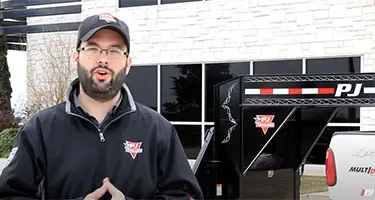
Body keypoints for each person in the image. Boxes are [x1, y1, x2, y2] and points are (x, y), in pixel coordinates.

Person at [0, 13, 203, 200]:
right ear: (76, 57)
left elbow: (185, 195)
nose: (103, 59)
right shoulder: (39, 129)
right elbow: (10, 195)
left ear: (128, 63)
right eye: (92, 48)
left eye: (114, 51)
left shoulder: (158, 129)